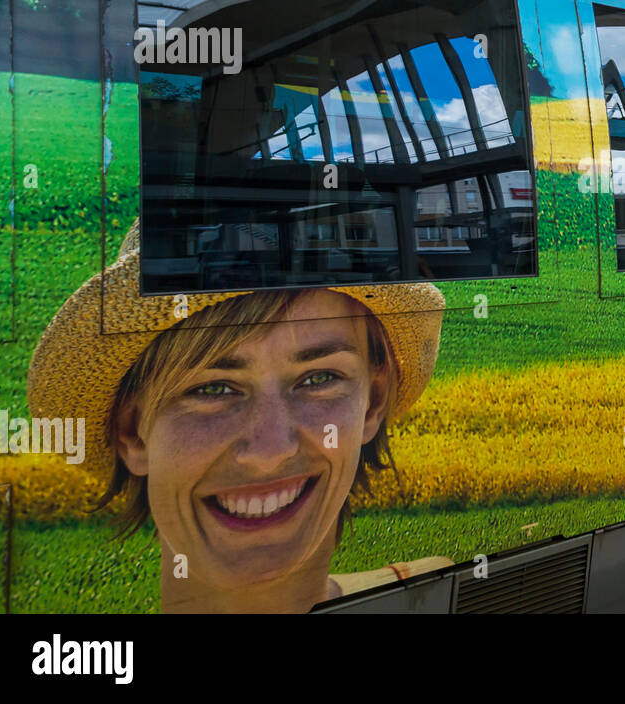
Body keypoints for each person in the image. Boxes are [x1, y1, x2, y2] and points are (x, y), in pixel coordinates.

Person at [27, 221, 446, 613]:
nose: (270, 451)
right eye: (212, 389)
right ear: (132, 434)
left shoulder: (436, 596)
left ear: (373, 403)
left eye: (319, 378)